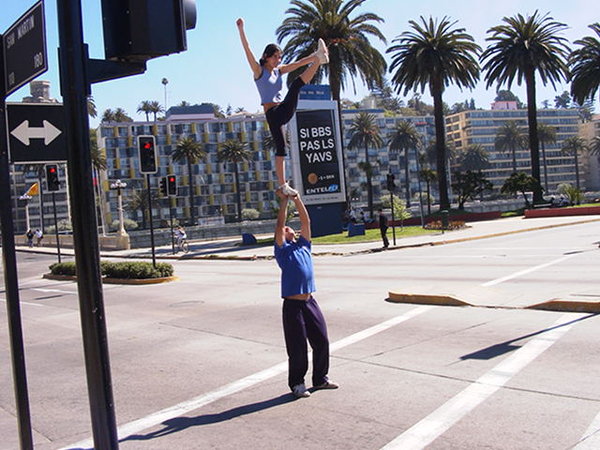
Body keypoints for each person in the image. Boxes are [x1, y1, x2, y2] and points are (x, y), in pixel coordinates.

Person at [237, 17, 329, 197]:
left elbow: (298, 64)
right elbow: (247, 50)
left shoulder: (279, 71)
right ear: (266, 56)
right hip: (273, 113)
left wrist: (314, 57)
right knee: (281, 149)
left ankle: (320, 60)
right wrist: (241, 29)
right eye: (275, 57)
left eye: (280, 57)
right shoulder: (259, 71)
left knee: (296, 84)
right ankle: (283, 184)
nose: (278, 60)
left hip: (283, 111)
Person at [274, 190, 338, 398]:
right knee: (298, 346)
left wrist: (296, 198)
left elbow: (306, 221)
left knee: (322, 340)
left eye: (288, 227)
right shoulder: (282, 251)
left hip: (310, 301)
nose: (287, 228)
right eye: (284, 229)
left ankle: (320, 379)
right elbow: (279, 225)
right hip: (293, 305)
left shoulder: (304, 245)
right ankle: (297, 384)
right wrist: (283, 201)